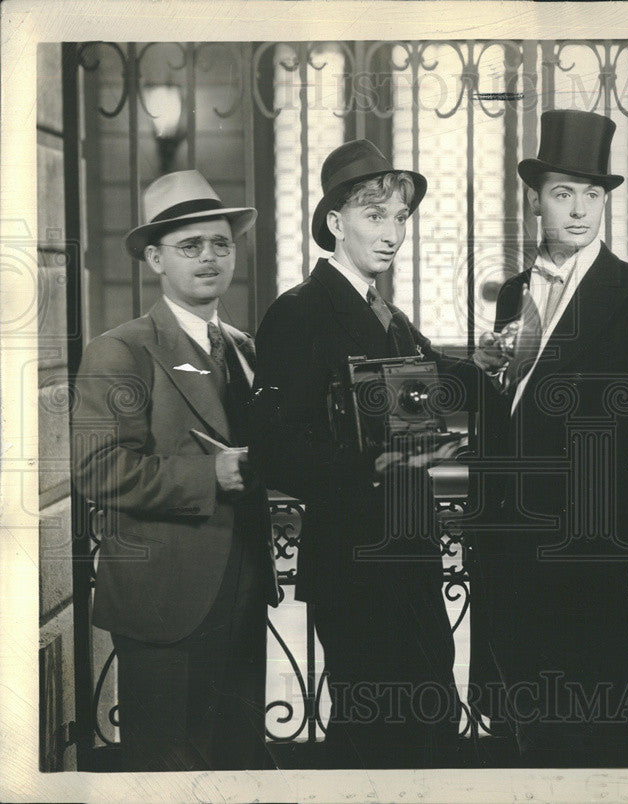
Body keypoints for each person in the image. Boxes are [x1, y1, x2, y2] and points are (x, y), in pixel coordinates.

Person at [250, 140, 490, 768]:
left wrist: (504, 363)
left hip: (407, 554)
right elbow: (275, 449)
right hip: (354, 564)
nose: (392, 235)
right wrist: (369, 468)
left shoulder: (387, 315)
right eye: (375, 216)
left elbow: (436, 377)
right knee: (379, 731)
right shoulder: (299, 313)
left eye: (401, 219)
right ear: (335, 223)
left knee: (428, 719)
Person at [470, 109, 628, 767]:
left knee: (598, 736)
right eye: (563, 194)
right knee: (524, 736)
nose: (578, 210)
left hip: (602, 556)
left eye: (592, 195)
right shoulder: (513, 294)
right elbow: (507, 422)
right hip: (512, 555)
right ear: (536, 200)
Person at [71, 170, 279, 771]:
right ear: (156, 258)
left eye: (221, 243)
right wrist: (208, 476)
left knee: (236, 760)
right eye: (191, 246)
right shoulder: (122, 350)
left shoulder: (243, 347)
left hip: (242, 586)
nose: (210, 257)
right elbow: (96, 469)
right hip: (165, 599)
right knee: (167, 769)